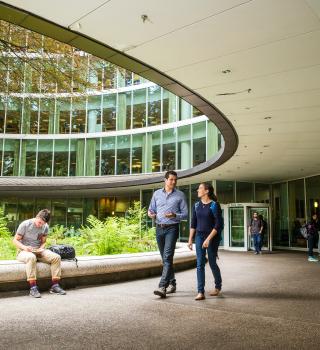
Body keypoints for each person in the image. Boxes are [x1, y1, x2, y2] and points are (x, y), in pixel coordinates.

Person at [148, 170, 188, 298]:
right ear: (165, 180)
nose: (173, 182)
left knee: (167, 256)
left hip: (172, 228)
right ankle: (173, 283)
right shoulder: (156, 194)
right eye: (171, 179)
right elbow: (151, 209)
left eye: (175, 180)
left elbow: (186, 214)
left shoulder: (180, 195)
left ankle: (162, 286)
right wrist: (151, 214)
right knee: (165, 258)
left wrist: (175, 215)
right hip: (159, 228)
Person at [12, 209, 66, 298]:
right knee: (31, 257)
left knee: (56, 257)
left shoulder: (45, 227)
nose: (40, 225)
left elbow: (44, 242)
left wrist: (41, 248)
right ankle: (33, 288)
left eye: (42, 224)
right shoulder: (25, 224)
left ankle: (55, 286)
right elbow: (15, 240)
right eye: (39, 222)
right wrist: (25, 248)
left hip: (38, 250)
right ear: (37, 217)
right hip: (24, 251)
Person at [187, 183, 223, 300]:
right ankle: (200, 292)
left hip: (212, 237)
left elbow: (218, 225)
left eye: (200, 188)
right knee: (200, 264)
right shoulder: (196, 205)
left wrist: (208, 239)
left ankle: (218, 286)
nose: (198, 190)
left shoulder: (214, 205)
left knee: (212, 263)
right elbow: (193, 223)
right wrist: (190, 239)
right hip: (199, 236)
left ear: (206, 191)